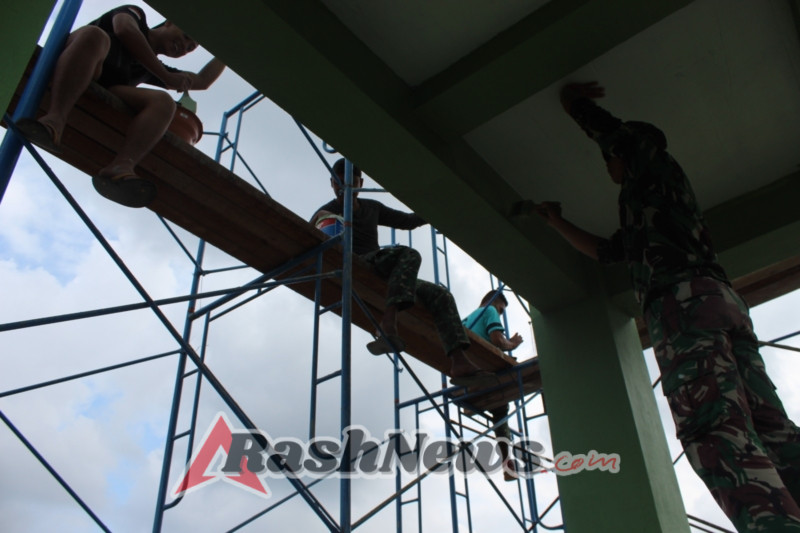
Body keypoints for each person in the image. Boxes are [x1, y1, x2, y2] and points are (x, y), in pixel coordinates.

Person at [533, 81, 800, 532]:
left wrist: (575, 105)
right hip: (714, 300)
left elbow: (626, 139)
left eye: (608, 159)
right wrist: (556, 222)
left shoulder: (652, 168)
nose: (608, 167)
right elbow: (605, 251)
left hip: (684, 305)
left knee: (712, 427)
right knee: (768, 425)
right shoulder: (647, 205)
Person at [18, 4, 226, 208]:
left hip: (105, 87)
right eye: (186, 37)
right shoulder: (135, 15)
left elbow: (201, 81)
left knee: (163, 102)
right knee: (95, 36)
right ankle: (55, 119)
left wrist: (227, 51)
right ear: (169, 22)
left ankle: (122, 166)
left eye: (190, 49)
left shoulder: (150, 67)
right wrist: (166, 76)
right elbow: (124, 29)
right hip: (80, 59)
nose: (184, 46)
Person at [311, 158, 482, 381]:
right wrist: (318, 222)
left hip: (381, 266)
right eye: (341, 184)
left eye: (351, 184)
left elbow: (409, 221)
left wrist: (438, 208)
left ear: (360, 183)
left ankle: (459, 361)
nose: (346, 189)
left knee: (440, 294)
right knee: (409, 254)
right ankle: (388, 321)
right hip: (359, 262)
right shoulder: (326, 213)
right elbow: (312, 239)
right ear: (333, 184)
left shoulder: (372, 207)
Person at [462, 289, 524, 481]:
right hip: (484, 370)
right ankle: (507, 462)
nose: (500, 314)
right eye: (501, 309)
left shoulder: (467, 319)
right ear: (495, 302)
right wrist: (512, 343)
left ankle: (507, 462)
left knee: (499, 409)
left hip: (466, 376)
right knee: (502, 407)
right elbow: (498, 340)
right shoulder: (489, 311)